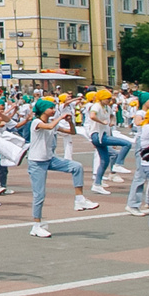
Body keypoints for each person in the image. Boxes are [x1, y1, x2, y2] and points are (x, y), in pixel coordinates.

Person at [22, 99, 98, 237]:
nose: (53, 110)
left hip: (50, 158)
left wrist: (70, 121)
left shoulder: (53, 123)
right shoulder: (36, 122)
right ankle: (36, 225)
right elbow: (49, 126)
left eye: (54, 108)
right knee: (39, 194)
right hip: (37, 161)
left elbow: (72, 132)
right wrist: (60, 117)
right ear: (43, 110)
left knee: (76, 167)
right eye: (51, 108)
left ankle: (79, 199)